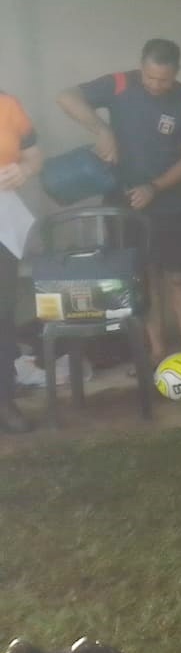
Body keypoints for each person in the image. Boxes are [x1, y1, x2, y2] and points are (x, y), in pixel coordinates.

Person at [57, 39, 181, 359]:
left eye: (164, 80)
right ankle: (157, 352)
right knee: (142, 278)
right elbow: (66, 96)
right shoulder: (120, 84)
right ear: (141, 67)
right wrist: (101, 130)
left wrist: (154, 187)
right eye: (150, 77)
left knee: (178, 277)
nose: (155, 85)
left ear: (176, 72)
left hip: (170, 203)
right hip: (123, 201)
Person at [0, 90, 42, 435]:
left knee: (2, 314)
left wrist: (24, 169)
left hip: (2, 223)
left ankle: (4, 399)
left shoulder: (8, 105)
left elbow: (34, 155)